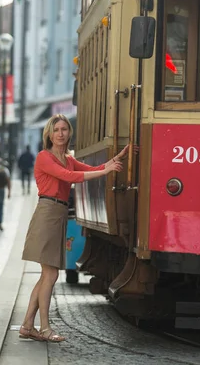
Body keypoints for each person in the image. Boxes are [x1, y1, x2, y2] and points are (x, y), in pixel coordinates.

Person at [19, 114, 126, 343]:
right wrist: (105, 171)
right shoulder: (44, 157)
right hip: (47, 213)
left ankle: (28, 325)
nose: (60, 133)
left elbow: (89, 169)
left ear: (69, 133)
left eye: (64, 129)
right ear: (49, 133)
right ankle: (45, 328)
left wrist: (110, 163)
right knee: (51, 273)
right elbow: (71, 177)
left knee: (47, 274)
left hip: (57, 214)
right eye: (56, 129)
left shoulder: (67, 158)